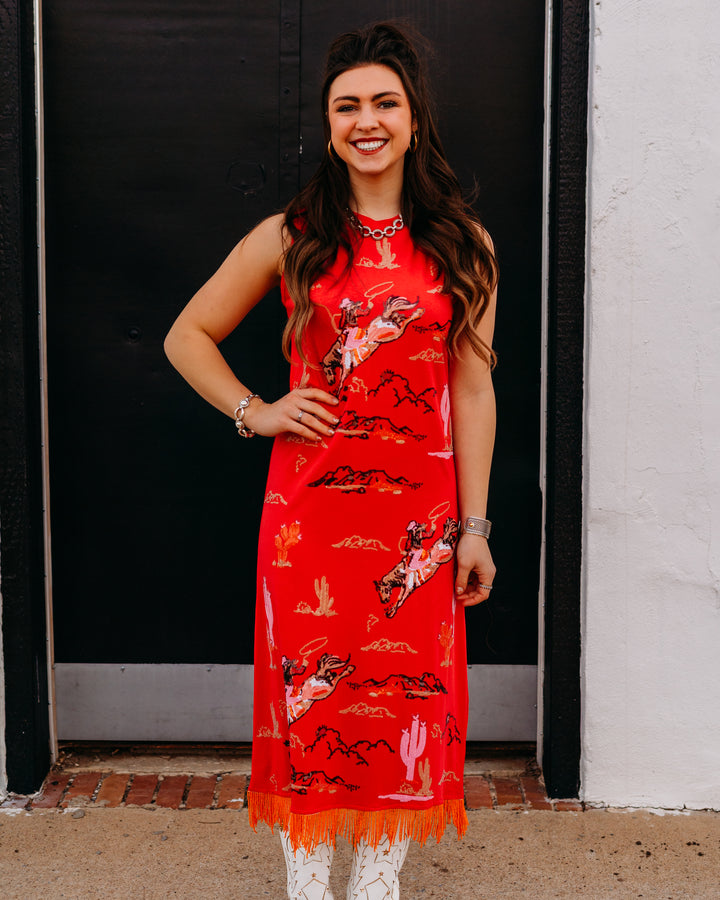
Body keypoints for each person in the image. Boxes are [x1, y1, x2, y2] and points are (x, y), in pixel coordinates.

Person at [165, 21, 498, 900]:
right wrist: (257, 411)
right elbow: (187, 335)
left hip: (421, 524)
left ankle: (378, 883)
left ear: (414, 120)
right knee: (307, 697)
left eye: (385, 103)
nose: (366, 121)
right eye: (347, 105)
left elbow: (471, 393)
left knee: (409, 695)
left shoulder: (464, 245)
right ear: (329, 123)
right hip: (309, 520)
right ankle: (308, 885)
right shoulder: (293, 235)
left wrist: (474, 527)